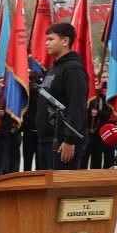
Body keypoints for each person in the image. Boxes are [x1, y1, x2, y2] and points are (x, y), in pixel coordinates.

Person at [36, 22, 89, 170]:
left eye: (51, 39)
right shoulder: (55, 67)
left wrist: (70, 140)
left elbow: (77, 105)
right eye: (46, 39)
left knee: (59, 184)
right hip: (47, 139)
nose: (46, 43)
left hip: (63, 142)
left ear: (65, 41)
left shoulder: (73, 69)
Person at [85, 76, 117, 169]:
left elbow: (108, 114)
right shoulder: (91, 98)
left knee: (108, 155)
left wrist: (98, 113)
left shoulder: (107, 98)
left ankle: (107, 174)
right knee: (95, 156)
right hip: (92, 132)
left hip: (106, 130)